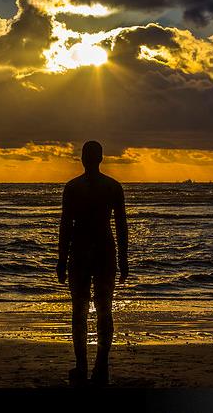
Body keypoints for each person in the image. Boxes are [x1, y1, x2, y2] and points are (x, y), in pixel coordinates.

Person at [57, 140, 128, 386]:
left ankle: (84, 365)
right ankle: (98, 366)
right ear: (101, 158)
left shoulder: (73, 187)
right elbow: (121, 227)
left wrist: (61, 259)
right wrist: (123, 258)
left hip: (81, 251)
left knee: (81, 310)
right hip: (104, 251)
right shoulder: (112, 187)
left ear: (83, 158)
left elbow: (66, 226)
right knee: (102, 308)